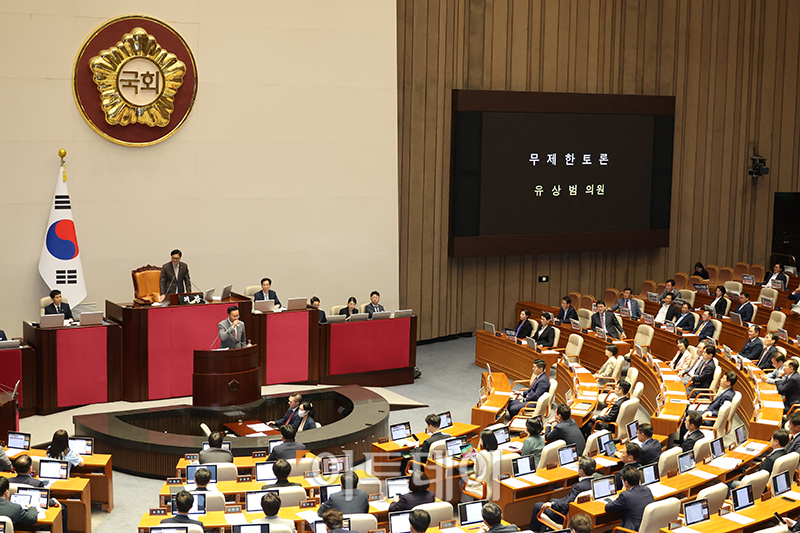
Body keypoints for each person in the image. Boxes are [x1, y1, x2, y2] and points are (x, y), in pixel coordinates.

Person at [529, 456, 596, 532]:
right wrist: (553, 502)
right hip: (580, 513)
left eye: (578, 467)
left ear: (582, 470)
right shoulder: (595, 481)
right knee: (552, 499)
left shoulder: (578, 487)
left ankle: (534, 531)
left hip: (564, 516)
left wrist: (552, 505)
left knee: (537, 506)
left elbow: (566, 505)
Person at [604, 465, 654, 531]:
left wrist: (613, 501)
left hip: (631, 530)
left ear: (626, 483)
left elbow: (608, 508)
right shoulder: (647, 490)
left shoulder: (625, 496)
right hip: (647, 529)